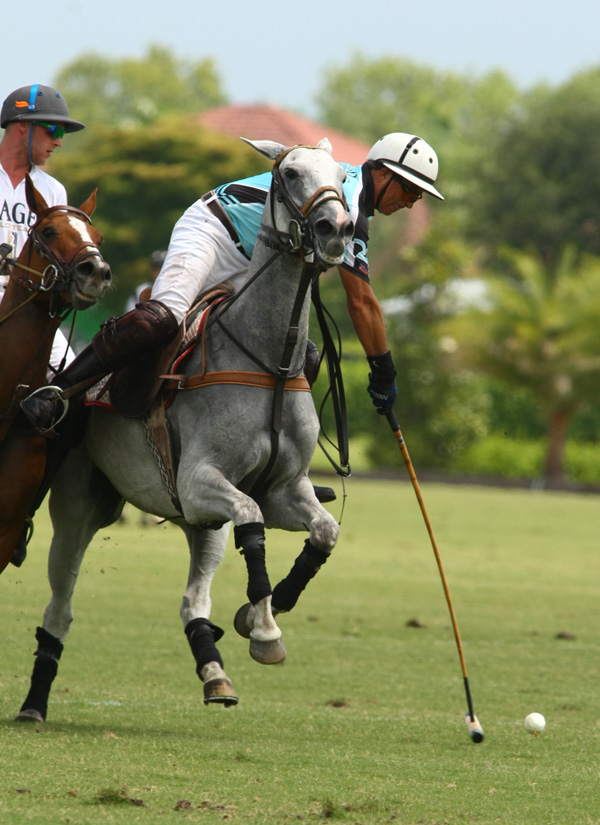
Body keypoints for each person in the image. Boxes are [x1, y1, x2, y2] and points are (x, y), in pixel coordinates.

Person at [20, 132, 443, 449]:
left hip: (257, 261)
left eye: (419, 196)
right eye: (409, 189)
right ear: (381, 172)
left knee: (299, 355)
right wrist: (383, 371)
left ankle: (278, 461)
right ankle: (59, 392)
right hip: (213, 229)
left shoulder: (348, 202)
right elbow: (361, 302)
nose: (411, 201)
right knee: (162, 318)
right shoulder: (347, 201)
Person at [0, 83, 86, 566]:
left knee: (75, 396)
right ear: (21, 127)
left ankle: (22, 511)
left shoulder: (52, 192)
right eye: (52, 129)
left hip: (31, 315)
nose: (57, 141)